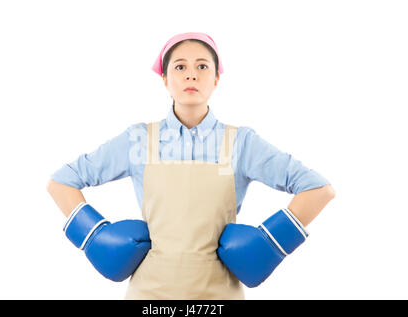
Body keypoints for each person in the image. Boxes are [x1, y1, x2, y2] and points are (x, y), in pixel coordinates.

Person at [46, 32, 336, 299]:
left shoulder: (241, 143)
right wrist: (94, 236)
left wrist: (271, 243)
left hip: (217, 297)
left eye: (202, 67)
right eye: (180, 67)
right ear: (165, 79)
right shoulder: (137, 140)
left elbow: (319, 189)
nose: (191, 76)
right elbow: (61, 182)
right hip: (150, 297)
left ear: (216, 79)